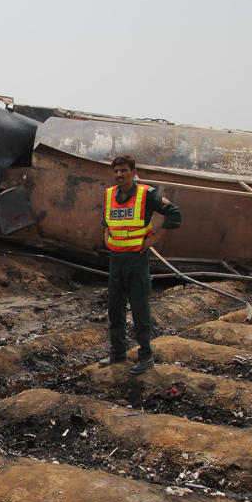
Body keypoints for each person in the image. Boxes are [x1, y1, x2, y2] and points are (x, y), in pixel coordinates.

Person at [99, 154, 181, 374]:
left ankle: (145, 356)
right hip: (116, 261)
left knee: (139, 307)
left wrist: (155, 239)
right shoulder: (109, 195)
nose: (119, 175)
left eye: (124, 170)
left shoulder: (147, 194)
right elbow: (106, 220)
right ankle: (117, 353)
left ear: (133, 172)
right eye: (116, 171)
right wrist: (107, 236)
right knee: (114, 308)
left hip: (137, 260)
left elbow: (174, 214)